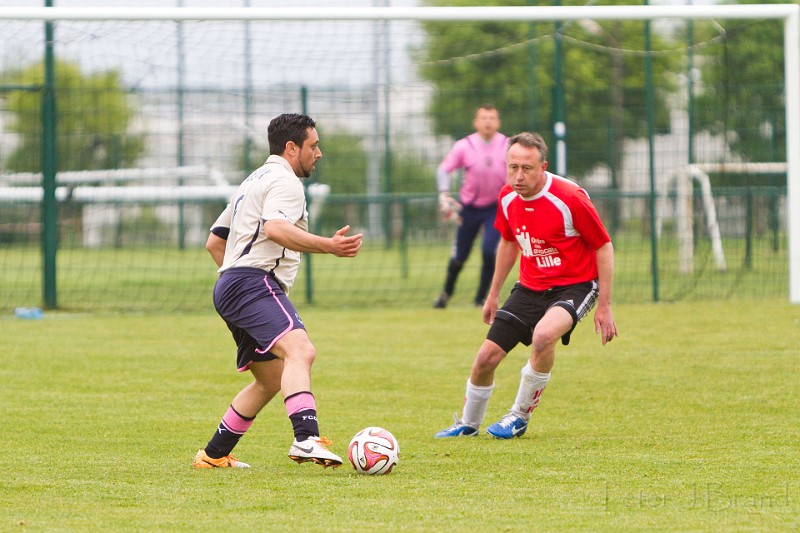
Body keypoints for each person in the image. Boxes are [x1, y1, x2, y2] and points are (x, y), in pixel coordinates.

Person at [193, 113, 363, 469]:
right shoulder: (286, 182)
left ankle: (212, 455)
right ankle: (306, 439)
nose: (319, 153)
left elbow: (214, 242)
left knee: (270, 379)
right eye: (313, 146)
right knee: (301, 350)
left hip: (231, 285)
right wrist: (328, 246)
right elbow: (276, 229)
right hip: (251, 283)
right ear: (291, 147)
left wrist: (234, 279)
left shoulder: (251, 181)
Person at [435, 132, 617, 439]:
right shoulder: (506, 197)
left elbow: (604, 246)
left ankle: (518, 416)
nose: (518, 175)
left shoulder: (569, 197)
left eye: (527, 168)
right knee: (485, 359)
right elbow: (508, 243)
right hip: (530, 287)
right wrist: (492, 295)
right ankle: (468, 424)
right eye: (512, 167)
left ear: (543, 166)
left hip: (575, 285)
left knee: (544, 336)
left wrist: (605, 306)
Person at [433, 104, 509, 309]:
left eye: (492, 118)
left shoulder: (508, 145)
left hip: (495, 208)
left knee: (489, 251)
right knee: (460, 256)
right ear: (475, 122)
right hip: (470, 208)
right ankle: (446, 294)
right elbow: (443, 170)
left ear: (498, 122)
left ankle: (481, 299)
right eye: (483, 118)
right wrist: (444, 194)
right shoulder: (464, 146)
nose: (488, 122)